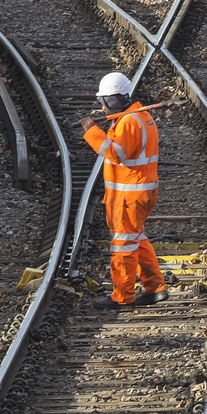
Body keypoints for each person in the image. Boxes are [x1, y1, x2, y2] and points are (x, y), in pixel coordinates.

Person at [84, 72, 166, 307]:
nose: (103, 108)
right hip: (140, 191)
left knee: (123, 244)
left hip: (128, 195)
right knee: (135, 238)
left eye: (105, 102)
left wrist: (92, 132)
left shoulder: (130, 121)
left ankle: (122, 296)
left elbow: (116, 154)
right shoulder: (140, 117)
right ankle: (155, 287)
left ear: (117, 99)